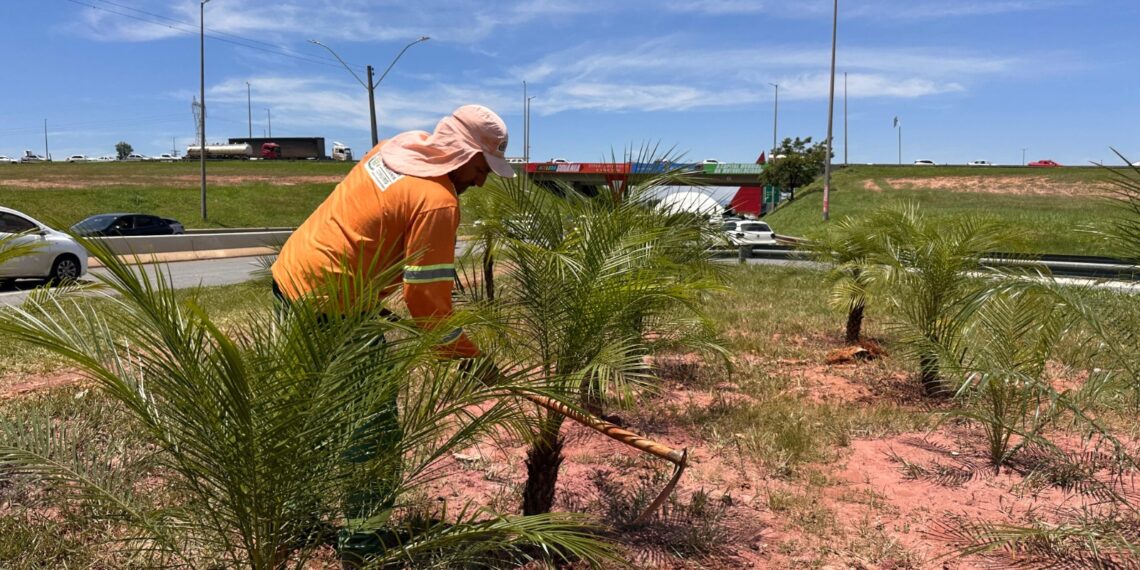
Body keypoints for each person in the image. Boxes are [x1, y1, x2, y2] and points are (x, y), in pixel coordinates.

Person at [270, 104, 515, 566]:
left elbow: (368, 228)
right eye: (482, 167)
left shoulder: (394, 149)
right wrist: (468, 357)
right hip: (333, 307)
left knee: (313, 411)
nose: (482, 181)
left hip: (292, 280)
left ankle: (292, 519)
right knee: (373, 430)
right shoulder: (438, 202)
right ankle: (362, 545)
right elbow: (426, 302)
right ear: (462, 155)